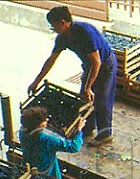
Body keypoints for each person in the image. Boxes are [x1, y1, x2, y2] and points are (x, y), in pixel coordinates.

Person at [27, 6, 117, 147]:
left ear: (63, 22)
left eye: (53, 26)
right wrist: (36, 82)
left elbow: (97, 62)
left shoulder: (85, 33)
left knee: (101, 99)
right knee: (85, 98)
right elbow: (51, 60)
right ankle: (87, 127)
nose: (53, 29)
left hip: (105, 65)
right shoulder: (62, 38)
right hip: (89, 66)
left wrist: (88, 87)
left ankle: (105, 135)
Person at [19, 106, 85, 179]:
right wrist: (79, 131)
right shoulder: (47, 140)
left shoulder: (22, 132)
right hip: (47, 172)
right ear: (39, 124)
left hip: (30, 164)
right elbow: (73, 147)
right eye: (44, 120)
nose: (47, 120)